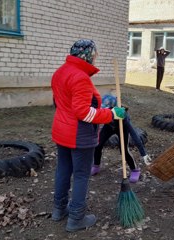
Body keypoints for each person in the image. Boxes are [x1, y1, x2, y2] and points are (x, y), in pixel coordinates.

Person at [50, 39, 126, 232]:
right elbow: (83, 113)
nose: (96, 58)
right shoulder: (81, 77)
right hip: (79, 135)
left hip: (62, 131)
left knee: (63, 170)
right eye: (95, 55)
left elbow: (59, 102)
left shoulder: (60, 72)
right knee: (82, 175)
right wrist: (111, 114)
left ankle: (59, 210)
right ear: (89, 55)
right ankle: (76, 218)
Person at [90, 94, 152, 183]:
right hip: (109, 127)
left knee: (124, 150)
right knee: (98, 145)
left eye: (106, 109)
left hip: (122, 128)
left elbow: (134, 134)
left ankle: (135, 170)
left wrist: (143, 153)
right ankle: (96, 165)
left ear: (113, 109)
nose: (104, 111)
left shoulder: (123, 116)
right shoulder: (103, 111)